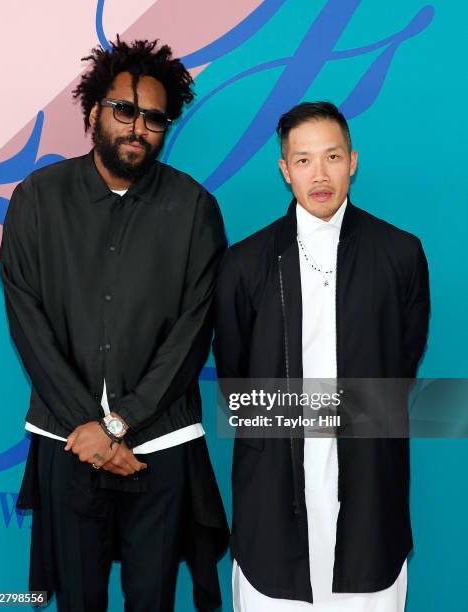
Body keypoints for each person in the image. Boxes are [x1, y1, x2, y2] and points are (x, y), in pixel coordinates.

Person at [0, 37, 228, 612]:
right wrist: (90, 430)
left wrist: (121, 421)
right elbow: (28, 322)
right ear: (94, 109)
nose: (138, 127)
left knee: (151, 599)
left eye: (154, 118)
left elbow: (192, 333)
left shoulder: (195, 209)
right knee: (78, 598)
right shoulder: (37, 199)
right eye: (124, 110)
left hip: (161, 442)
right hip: (67, 440)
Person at [213, 101, 430, 610]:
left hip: (370, 477)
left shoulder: (400, 253)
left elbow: (402, 364)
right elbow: (235, 382)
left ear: (352, 160)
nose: (320, 174)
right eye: (304, 160)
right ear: (285, 170)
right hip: (273, 483)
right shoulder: (245, 263)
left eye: (331, 157)